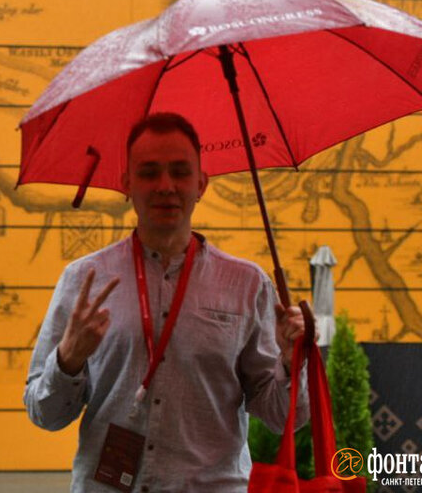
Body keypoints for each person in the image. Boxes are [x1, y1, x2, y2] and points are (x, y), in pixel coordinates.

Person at [24, 112, 309, 492]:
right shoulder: (84, 280)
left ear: (201, 184)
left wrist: (292, 365)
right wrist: (68, 360)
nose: (165, 185)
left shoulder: (247, 285)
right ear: (126, 183)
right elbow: (44, 414)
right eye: (148, 172)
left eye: (180, 171)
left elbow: (282, 417)